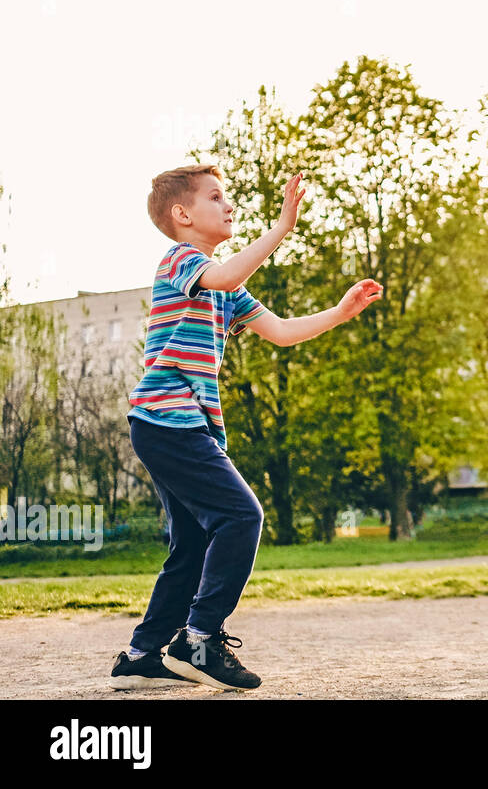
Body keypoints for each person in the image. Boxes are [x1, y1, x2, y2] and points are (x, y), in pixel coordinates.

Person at [109, 165, 382, 691]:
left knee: (190, 543)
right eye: (217, 197)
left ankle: (142, 655)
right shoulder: (181, 262)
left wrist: (340, 313)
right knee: (241, 516)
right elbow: (227, 275)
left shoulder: (221, 287)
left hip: (174, 427)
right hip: (169, 421)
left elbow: (279, 332)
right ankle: (199, 640)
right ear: (182, 215)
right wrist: (281, 228)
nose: (228, 206)